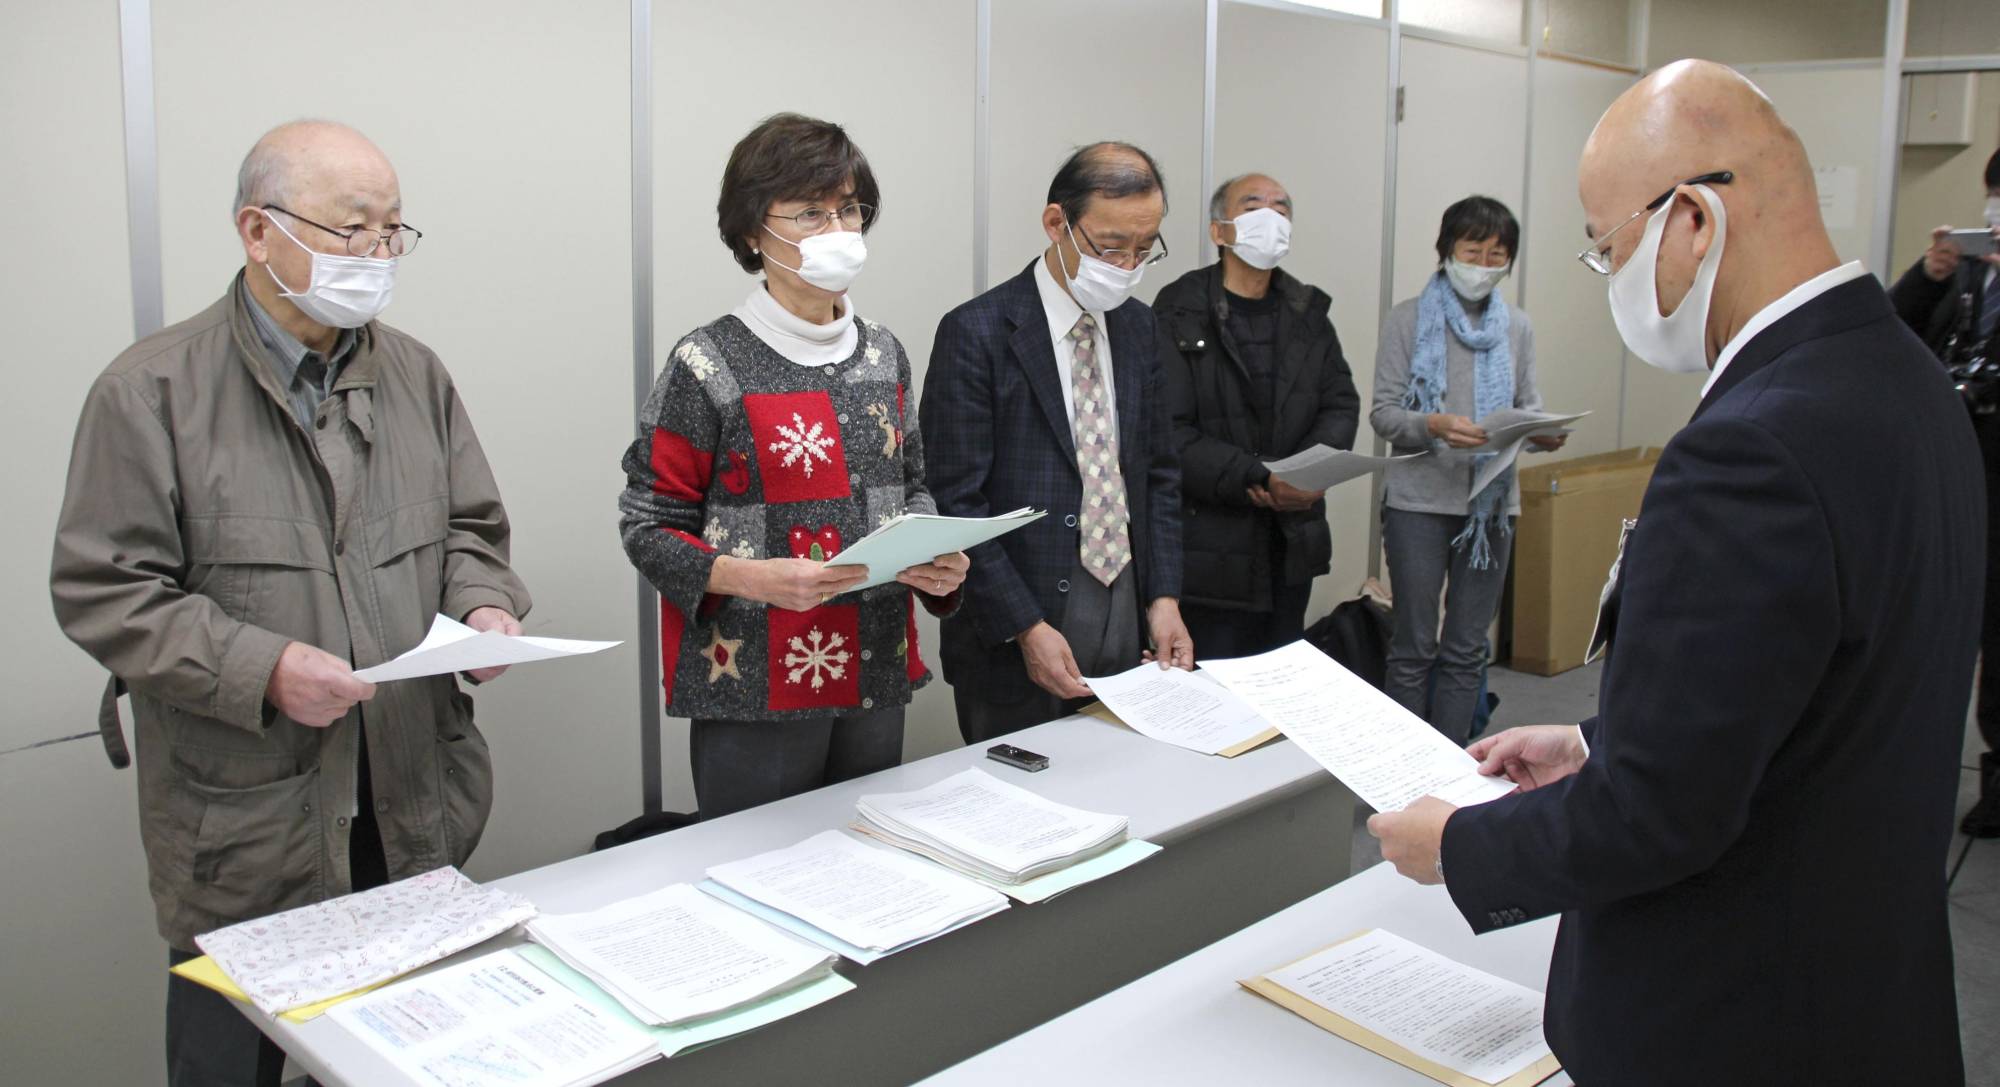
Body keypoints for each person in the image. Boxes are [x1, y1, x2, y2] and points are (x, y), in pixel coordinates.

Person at [1368, 61, 1981, 1084]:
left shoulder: (1752, 444)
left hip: (1737, 1016)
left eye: (1604, 247)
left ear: (1689, 219)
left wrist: (1459, 848)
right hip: (1865, 991)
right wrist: (1601, 737)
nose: (1606, 279)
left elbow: (1658, 816)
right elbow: (1831, 689)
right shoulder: (1904, 383)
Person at [49, 120, 532, 1087]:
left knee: (412, 1056)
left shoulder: (414, 375)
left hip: (406, 801)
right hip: (250, 825)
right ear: (257, 231)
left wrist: (482, 608)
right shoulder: (150, 392)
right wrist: (262, 666)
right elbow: (106, 590)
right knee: (234, 1065)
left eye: (393, 232)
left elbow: (472, 529)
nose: (377, 256)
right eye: (351, 229)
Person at [619, 114, 966, 819]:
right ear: (753, 231)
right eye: (810, 212)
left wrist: (936, 553)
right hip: (753, 684)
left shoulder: (884, 353)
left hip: (874, 666)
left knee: (869, 875)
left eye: (848, 209)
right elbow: (647, 523)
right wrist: (748, 576)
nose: (836, 228)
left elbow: (914, 486)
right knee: (759, 879)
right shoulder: (708, 362)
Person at [922, 142, 1192, 743]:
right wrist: (1026, 626)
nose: (1127, 266)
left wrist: (1165, 597)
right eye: (1111, 246)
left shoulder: (1141, 327)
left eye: (1145, 249)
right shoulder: (977, 331)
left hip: (1123, 601)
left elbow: (1157, 475)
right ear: (1056, 223)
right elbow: (956, 502)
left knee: (1123, 783)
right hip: (1018, 616)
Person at [1368, 196, 1562, 745]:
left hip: (1492, 506)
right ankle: (1403, 767)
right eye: (1471, 250)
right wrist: (1433, 425)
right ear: (1447, 250)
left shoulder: (1516, 327)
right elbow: (1384, 414)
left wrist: (1542, 434)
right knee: (1414, 646)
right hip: (1418, 503)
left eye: (1495, 254)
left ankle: (1451, 768)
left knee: (1466, 648)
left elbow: (1529, 406)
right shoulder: (1408, 319)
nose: (1482, 264)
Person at [1150, 173, 1359, 657]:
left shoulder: (1308, 312)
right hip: (1208, 550)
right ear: (1219, 231)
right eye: (1252, 206)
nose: (1270, 217)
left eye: (1281, 208)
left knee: (1279, 686)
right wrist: (1261, 477)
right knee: (1208, 696)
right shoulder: (1178, 310)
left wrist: (1307, 473)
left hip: (1291, 544)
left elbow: (1340, 401)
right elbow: (1167, 431)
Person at [1888, 146, 2000, 838]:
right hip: (1955, 478)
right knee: (1946, 625)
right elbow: (1893, 332)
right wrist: (1926, 279)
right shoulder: (1964, 277)